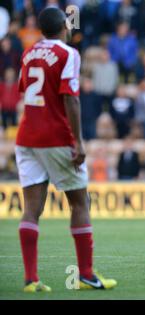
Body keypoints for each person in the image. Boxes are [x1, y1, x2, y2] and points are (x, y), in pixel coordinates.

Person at [15, 7, 116, 292]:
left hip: (26, 138)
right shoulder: (68, 53)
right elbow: (70, 99)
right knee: (79, 203)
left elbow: (27, 92)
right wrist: (78, 141)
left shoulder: (29, 52)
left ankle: (31, 279)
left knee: (32, 208)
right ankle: (85, 275)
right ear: (63, 26)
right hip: (56, 137)